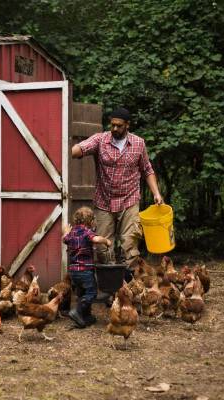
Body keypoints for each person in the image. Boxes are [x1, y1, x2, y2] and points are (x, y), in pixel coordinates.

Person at [71, 107, 163, 270]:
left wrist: (157, 194)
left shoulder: (138, 143)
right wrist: (71, 149)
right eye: (112, 125)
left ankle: (130, 286)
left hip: (129, 200)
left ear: (127, 125)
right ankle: (110, 287)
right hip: (104, 201)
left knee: (130, 244)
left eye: (119, 126)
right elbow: (81, 148)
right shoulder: (100, 140)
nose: (114, 129)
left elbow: (147, 170)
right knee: (102, 247)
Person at [63, 206, 112, 328]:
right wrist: (106, 240)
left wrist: (66, 231)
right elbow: (96, 239)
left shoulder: (72, 233)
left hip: (74, 271)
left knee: (82, 293)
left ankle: (85, 316)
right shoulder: (87, 232)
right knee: (91, 292)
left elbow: (64, 239)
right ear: (90, 221)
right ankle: (77, 311)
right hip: (85, 270)